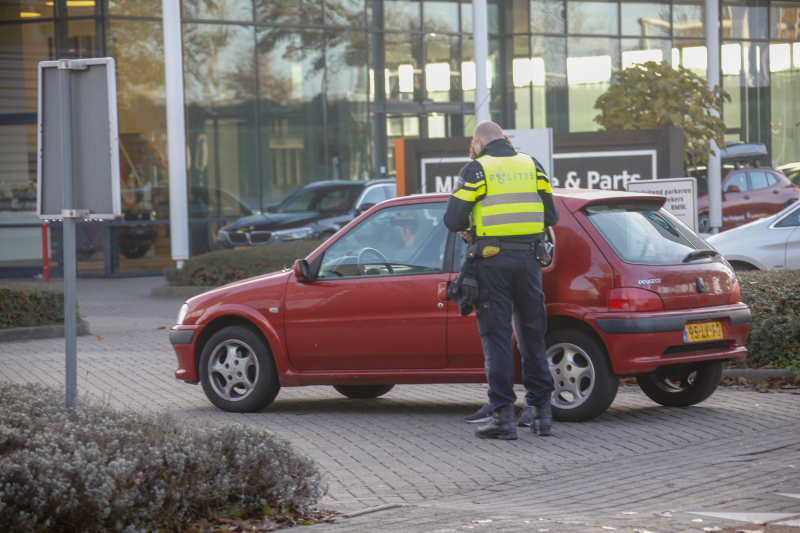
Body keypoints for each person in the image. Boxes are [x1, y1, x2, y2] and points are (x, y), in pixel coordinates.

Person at [444, 121, 559, 440]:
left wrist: (474, 224)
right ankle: (541, 414)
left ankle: (503, 417)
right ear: (504, 140)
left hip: (492, 263)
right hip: (529, 262)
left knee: (496, 338)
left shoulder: (476, 169)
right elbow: (551, 217)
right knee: (532, 337)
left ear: (478, 142)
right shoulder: (532, 165)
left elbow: (452, 219)